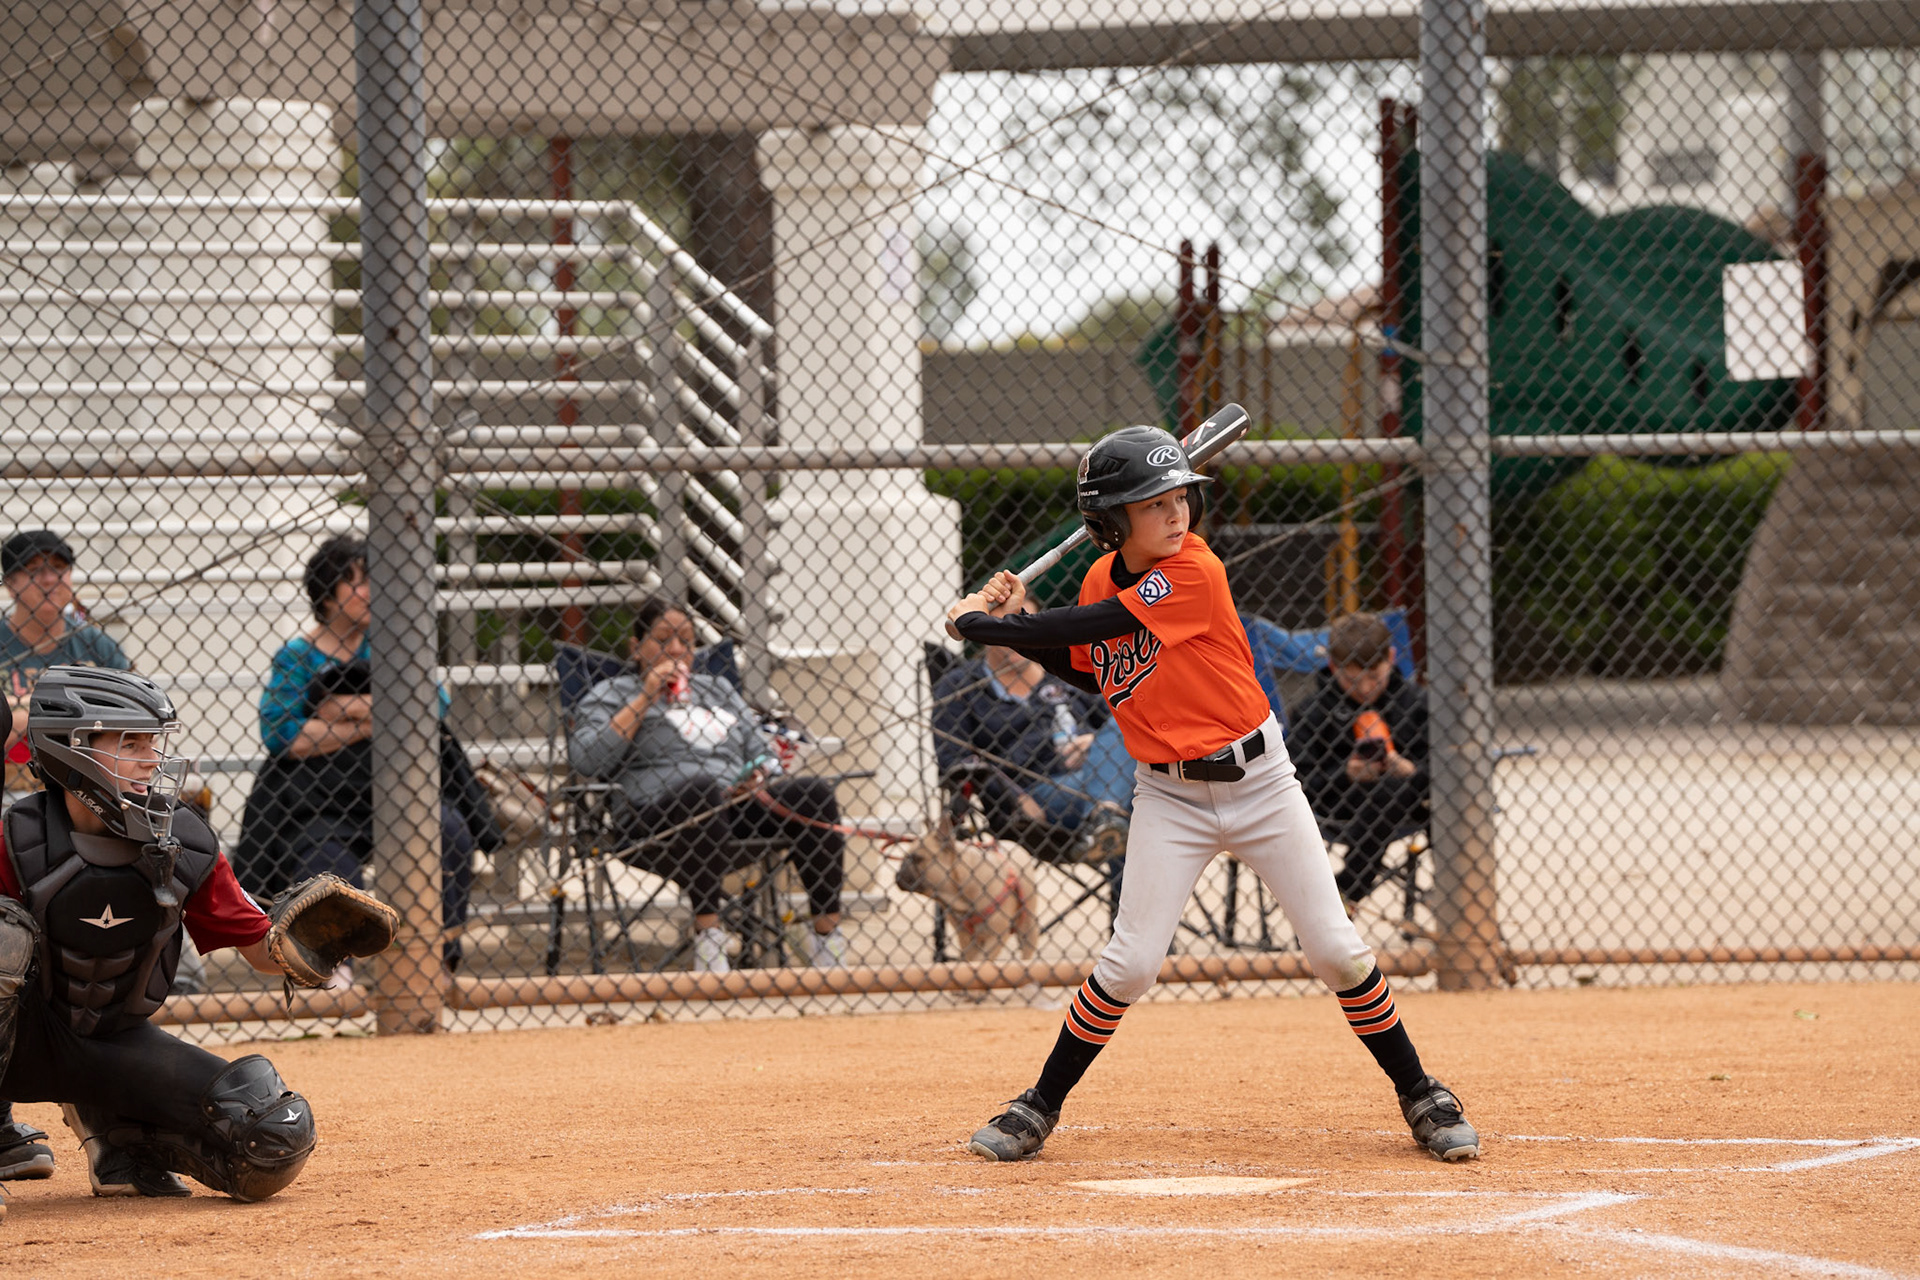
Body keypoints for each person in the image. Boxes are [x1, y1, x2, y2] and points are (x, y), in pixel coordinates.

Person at [943, 425, 1478, 1164]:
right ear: (1111, 523)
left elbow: (1106, 622)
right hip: (1169, 797)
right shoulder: (1099, 580)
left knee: (1336, 950)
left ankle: (1421, 1092)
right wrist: (1014, 626)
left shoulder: (1195, 569)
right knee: (1130, 963)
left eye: (1178, 498)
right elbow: (1094, 668)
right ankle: (1038, 1104)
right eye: (1151, 504)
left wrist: (988, 623)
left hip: (1261, 785)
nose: (1175, 513)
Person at [0, 668, 317, 1219]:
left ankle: (117, 1136)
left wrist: (315, 943)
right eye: (131, 743)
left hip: (112, 1040)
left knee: (269, 1136)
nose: (152, 759)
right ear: (72, 748)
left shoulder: (183, 843)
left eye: (155, 741)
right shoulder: (14, 839)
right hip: (20, 1047)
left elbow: (262, 951)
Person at [233, 535, 496, 971]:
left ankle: (436, 961)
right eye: (356, 582)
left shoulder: (393, 642)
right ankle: (335, 973)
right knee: (324, 860)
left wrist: (344, 709)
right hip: (324, 798)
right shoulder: (297, 656)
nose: (370, 591)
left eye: (374, 580)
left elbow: (434, 705)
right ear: (327, 593)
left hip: (403, 790)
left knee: (451, 831)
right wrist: (388, 716)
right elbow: (283, 734)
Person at [569, 596, 849, 973]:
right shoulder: (610, 694)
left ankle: (827, 940)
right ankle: (709, 938)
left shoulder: (717, 689)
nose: (676, 649)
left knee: (815, 794)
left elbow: (763, 752)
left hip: (734, 810)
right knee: (700, 790)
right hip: (655, 820)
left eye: (686, 640)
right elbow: (587, 760)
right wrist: (646, 696)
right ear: (636, 648)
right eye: (663, 639)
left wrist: (758, 778)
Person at [932, 599, 1129, 864]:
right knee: (1141, 797)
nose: (1017, 632)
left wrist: (1097, 744)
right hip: (1034, 795)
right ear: (984, 629)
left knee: (1127, 722)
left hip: (1100, 774)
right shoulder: (960, 686)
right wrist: (1016, 796)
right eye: (1005, 623)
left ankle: (1106, 817)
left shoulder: (1063, 672)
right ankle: (1106, 819)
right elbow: (955, 759)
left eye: (1025, 623)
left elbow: (1117, 724)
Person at [1287, 613, 1431, 909]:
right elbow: (1297, 778)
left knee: (1414, 788)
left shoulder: (1415, 702)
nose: (1365, 688)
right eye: (1352, 680)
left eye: (1374, 677)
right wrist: (1346, 773)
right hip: (1339, 803)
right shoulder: (1313, 712)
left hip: (1413, 801)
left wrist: (1410, 770)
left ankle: (1346, 892)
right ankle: (1348, 892)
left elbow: (1441, 766)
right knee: (1395, 790)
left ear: (1391, 659)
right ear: (1333, 667)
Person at [2, 530, 133, 804]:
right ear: (11, 584)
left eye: (59, 567)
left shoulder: (97, 646)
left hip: (84, 790)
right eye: (34, 570)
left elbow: (131, 727)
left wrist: (22, 711)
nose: (49, 579)